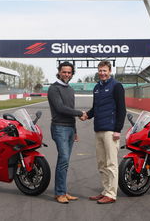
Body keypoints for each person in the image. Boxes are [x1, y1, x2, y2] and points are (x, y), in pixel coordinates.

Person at [82, 60, 126, 204]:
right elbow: (95, 109)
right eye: (100, 70)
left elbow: (122, 110)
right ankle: (105, 190)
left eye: (104, 70)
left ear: (109, 71)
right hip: (98, 129)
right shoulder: (96, 88)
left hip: (111, 131)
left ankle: (111, 194)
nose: (102, 73)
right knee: (101, 163)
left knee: (111, 163)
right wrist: (86, 115)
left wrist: (118, 129)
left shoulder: (117, 86)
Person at [48, 61, 86, 204]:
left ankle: (62, 191)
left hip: (69, 128)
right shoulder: (53, 88)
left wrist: (75, 130)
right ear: (59, 71)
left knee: (65, 161)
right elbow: (60, 108)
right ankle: (59, 193)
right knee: (63, 160)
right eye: (64, 72)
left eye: (69, 72)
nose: (66, 74)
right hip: (59, 128)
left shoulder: (70, 89)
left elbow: (70, 109)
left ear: (72, 73)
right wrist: (79, 113)